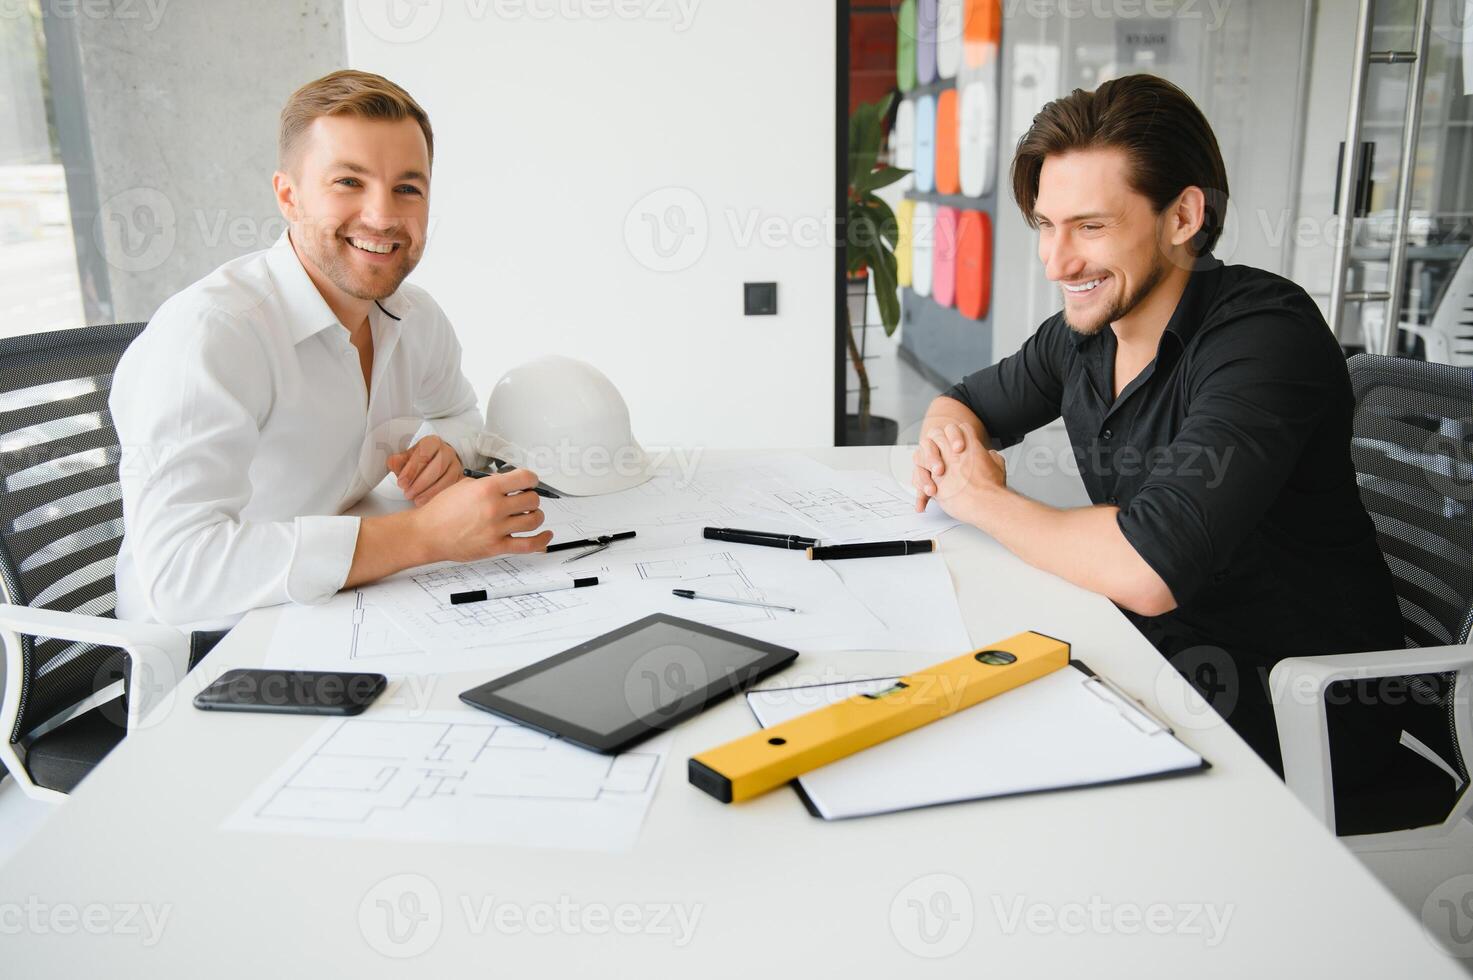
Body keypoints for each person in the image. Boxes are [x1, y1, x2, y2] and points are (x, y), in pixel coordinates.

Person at [911, 74, 1403, 780]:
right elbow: (961, 403)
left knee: (984, 752)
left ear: (1181, 219)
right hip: (1153, 649)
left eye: (1090, 226)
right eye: (1047, 226)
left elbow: (1147, 568)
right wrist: (951, 447)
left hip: (1297, 708)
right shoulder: (1083, 334)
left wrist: (977, 498)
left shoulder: (1264, 337)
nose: (1057, 261)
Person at [111, 70, 552, 640]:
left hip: (343, 608)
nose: (384, 216)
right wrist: (424, 536)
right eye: (349, 182)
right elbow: (179, 575)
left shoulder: (415, 317)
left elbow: (459, 412)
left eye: (408, 188)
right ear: (289, 196)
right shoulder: (212, 334)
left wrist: (445, 448)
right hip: (210, 648)